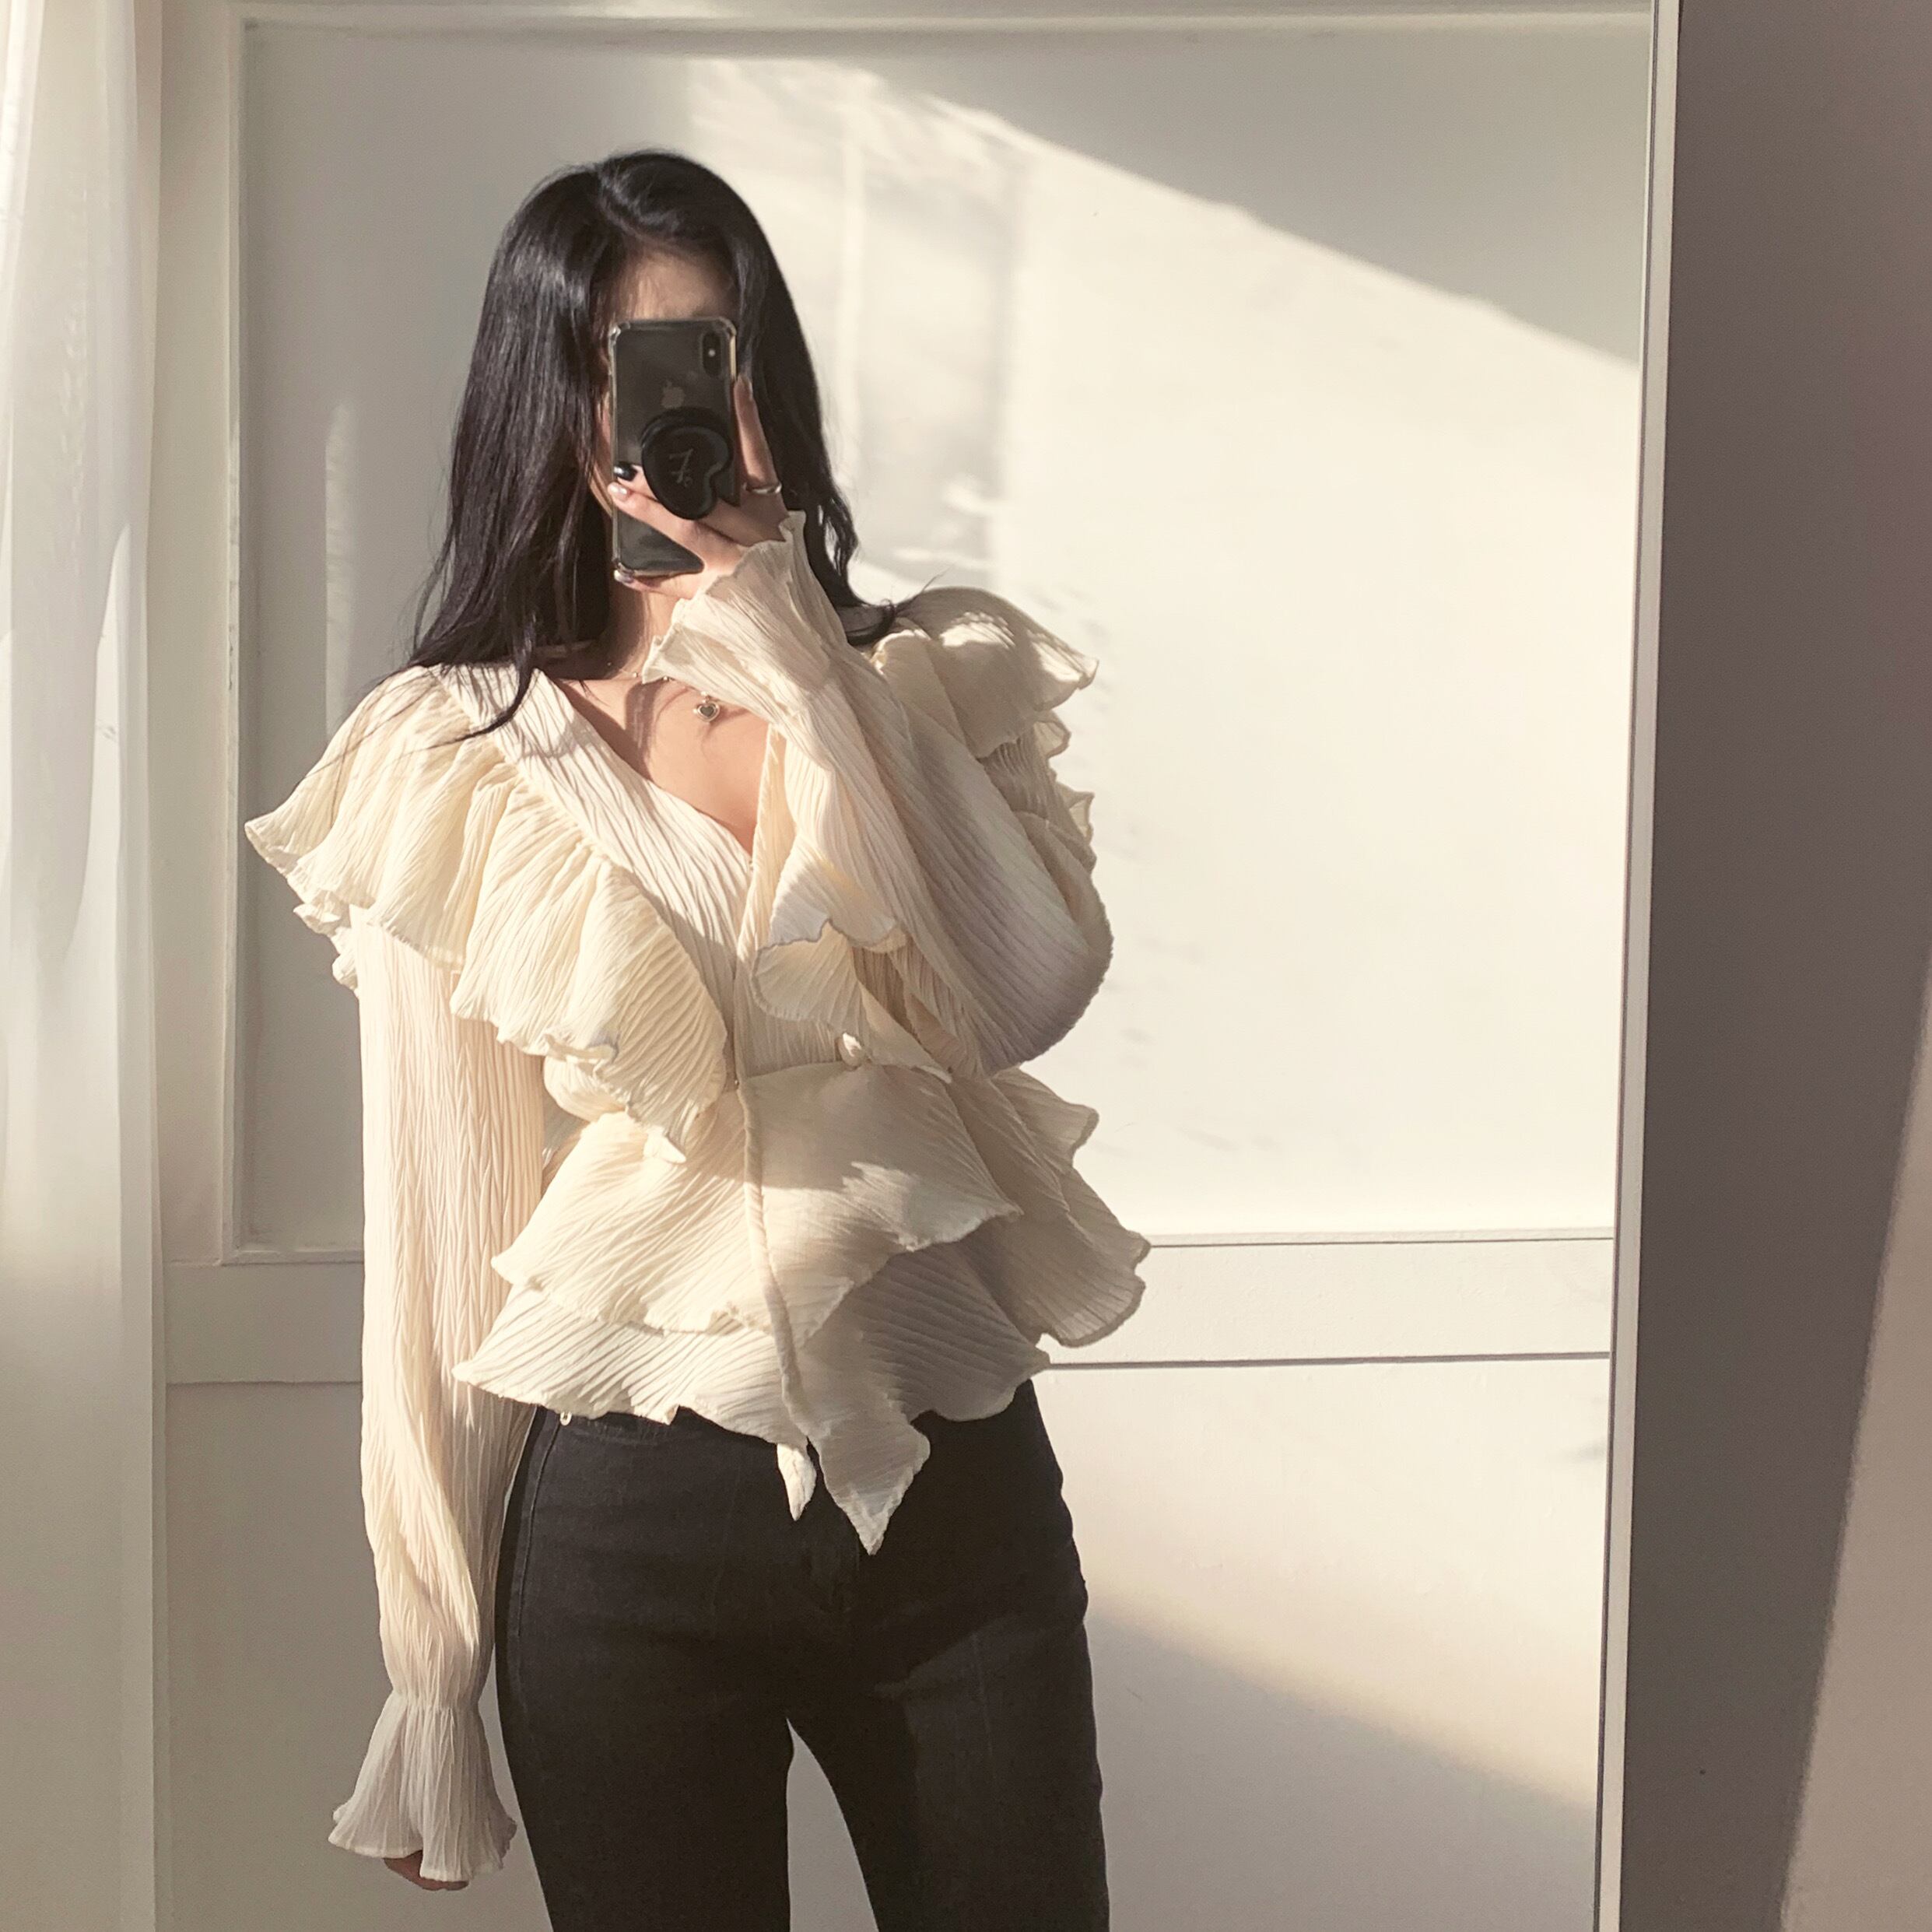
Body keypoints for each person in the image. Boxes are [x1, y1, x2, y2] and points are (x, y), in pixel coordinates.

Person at [244, 147, 1148, 1932]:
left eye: (713, 354)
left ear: (766, 378)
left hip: (952, 1497)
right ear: (553, 405)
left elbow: (1028, 988)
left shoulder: (922, 680)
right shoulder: (453, 755)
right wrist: (432, 1672)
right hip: (625, 1534)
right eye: (627, 368)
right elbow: (443, 1234)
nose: (677, 412)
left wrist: (798, 651)